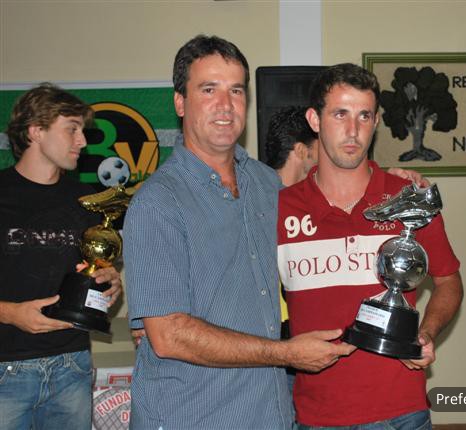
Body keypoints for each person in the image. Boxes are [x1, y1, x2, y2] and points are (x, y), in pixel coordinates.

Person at [123, 35, 355, 430]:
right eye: (208, 89)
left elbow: (330, 227)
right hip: (193, 417)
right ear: (180, 102)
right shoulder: (157, 203)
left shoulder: (266, 184)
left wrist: (392, 184)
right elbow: (169, 336)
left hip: (268, 412)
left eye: (235, 90)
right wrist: (286, 353)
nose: (225, 105)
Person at [277, 64, 464, 429]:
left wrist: (426, 334)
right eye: (340, 114)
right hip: (316, 416)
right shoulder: (279, 209)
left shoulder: (408, 199)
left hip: (401, 413)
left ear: (376, 121)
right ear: (314, 120)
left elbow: (449, 280)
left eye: (364, 116)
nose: (353, 130)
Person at [0, 83, 123, 430]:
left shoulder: (86, 200)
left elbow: (92, 272)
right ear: (35, 131)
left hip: (72, 365)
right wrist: (10, 313)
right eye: (72, 129)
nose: (82, 141)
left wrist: (110, 282)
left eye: (82, 130)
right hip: (6, 368)